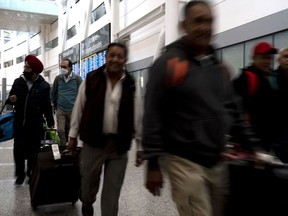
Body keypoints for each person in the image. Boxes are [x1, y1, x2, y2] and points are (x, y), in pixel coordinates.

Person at [142, 1, 258, 216]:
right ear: (183, 26)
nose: (204, 27)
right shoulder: (168, 63)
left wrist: (253, 147)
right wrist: (153, 163)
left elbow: (234, 109)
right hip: (183, 161)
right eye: (198, 21)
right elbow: (153, 114)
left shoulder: (217, 67)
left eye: (209, 21)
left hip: (216, 160)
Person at [67, 42, 142, 216]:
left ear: (125, 60)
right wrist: (72, 136)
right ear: (106, 58)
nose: (115, 59)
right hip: (93, 143)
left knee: (112, 192)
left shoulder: (130, 84)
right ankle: (86, 202)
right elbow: (79, 108)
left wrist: (140, 146)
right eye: (112, 55)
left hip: (119, 146)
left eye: (120, 56)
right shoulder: (92, 79)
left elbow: (138, 115)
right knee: (87, 185)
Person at [7, 55, 54, 185]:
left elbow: (46, 106)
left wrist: (50, 121)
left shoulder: (44, 86)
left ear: (34, 70)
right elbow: (10, 98)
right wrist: (10, 99)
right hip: (19, 122)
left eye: (27, 67)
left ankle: (31, 172)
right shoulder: (18, 82)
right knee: (19, 149)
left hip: (35, 124)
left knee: (34, 150)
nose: (24, 68)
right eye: (25, 66)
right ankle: (20, 174)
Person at [233, 41, 278, 152]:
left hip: (272, 140)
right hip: (253, 142)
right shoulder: (245, 78)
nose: (268, 61)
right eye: (263, 58)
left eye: (270, 58)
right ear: (254, 58)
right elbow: (235, 111)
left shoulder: (273, 77)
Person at [50, 58, 82, 146]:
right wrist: (52, 104)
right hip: (61, 109)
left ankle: (72, 149)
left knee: (72, 132)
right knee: (60, 130)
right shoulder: (58, 79)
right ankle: (63, 148)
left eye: (64, 67)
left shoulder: (77, 79)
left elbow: (82, 93)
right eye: (61, 67)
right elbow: (53, 93)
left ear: (70, 68)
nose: (62, 69)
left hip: (73, 110)